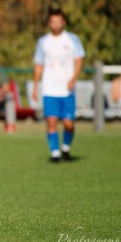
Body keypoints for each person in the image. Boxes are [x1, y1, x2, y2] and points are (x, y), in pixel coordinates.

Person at [32, 9, 84, 163]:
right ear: (49, 23)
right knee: (51, 121)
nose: (55, 25)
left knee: (69, 124)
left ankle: (66, 147)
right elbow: (39, 64)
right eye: (52, 21)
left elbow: (79, 61)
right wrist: (36, 85)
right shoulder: (43, 41)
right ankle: (55, 152)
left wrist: (73, 78)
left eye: (58, 21)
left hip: (67, 89)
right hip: (49, 88)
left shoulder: (72, 39)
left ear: (63, 23)